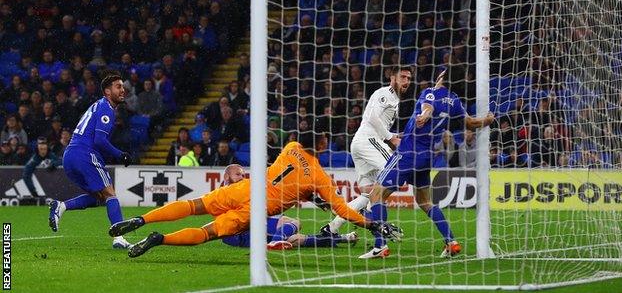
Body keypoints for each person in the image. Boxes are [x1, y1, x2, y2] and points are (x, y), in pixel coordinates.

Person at [108, 131, 402, 257]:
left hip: (244, 188)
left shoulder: (290, 148)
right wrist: (372, 224)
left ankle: (141, 219)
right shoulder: (321, 178)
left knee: (192, 204)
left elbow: (294, 177)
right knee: (207, 232)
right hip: (256, 208)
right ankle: (161, 239)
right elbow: (343, 211)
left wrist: (311, 195)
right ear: (323, 146)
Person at [363, 67, 495, 259]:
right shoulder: (455, 102)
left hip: (408, 154)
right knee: (425, 202)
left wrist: (424, 116)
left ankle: (380, 246)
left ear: (442, 77)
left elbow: (428, 107)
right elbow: (471, 123)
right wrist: (487, 120)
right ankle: (451, 242)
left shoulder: (430, 92)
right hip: (427, 157)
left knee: (376, 195)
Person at [323, 66, 411, 236]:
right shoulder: (385, 94)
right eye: (402, 77)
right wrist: (390, 138)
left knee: (369, 194)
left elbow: (378, 123)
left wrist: (392, 135)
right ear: (392, 77)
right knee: (395, 172)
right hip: (368, 142)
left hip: (362, 143)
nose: (406, 81)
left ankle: (332, 228)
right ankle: (378, 224)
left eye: (408, 78)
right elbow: (371, 117)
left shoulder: (393, 98)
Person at [48, 74, 133, 249]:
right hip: (85, 154)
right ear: (107, 91)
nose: (122, 89)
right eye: (118, 86)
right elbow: (99, 141)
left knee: (99, 197)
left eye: (122, 86)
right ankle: (119, 238)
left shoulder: (98, 106)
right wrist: (120, 154)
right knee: (110, 194)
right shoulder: (106, 108)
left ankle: (61, 206)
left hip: (70, 156)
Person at [218, 165, 358, 248]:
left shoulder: (227, 192)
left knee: (295, 239)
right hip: (245, 231)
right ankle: (275, 242)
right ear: (226, 177)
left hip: (238, 237)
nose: (242, 177)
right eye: (237, 174)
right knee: (295, 222)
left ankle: (344, 238)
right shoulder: (232, 192)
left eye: (243, 174)